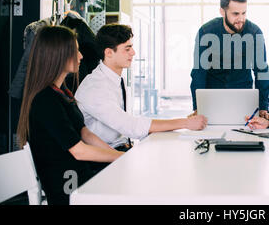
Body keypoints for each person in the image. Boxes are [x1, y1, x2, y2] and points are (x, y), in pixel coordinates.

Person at [16, 26, 123, 205]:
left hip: (79, 175)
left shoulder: (62, 92)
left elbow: (85, 134)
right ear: (57, 55)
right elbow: (79, 151)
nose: (81, 56)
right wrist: (120, 158)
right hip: (68, 186)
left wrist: (117, 154)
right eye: (75, 51)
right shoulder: (45, 100)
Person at [75, 24, 207, 149]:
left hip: (121, 147)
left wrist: (185, 122)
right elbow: (130, 126)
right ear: (109, 53)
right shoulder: (95, 87)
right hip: (104, 157)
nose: (133, 53)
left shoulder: (114, 79)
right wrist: (185, 123)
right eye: (127, 49)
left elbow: (132, 126)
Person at [190, 0, 269, 118]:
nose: (241, 19)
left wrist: (263, 107)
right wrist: (197, 107)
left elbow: (261, 72)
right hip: (212, 99)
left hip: (243, 100)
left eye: (244, 13)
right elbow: (199, 72)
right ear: (222, 12)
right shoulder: (206, 31)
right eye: (235, 14)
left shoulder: (254, 32)